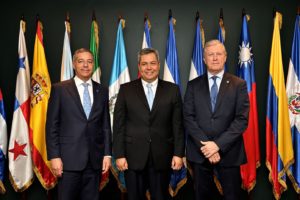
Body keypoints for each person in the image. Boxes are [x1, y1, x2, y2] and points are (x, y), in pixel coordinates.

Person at [113, 48, 185, 200]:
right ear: (139, 66)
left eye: (152, 63)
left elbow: (178, 125)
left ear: (159, 65)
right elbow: (118, 125)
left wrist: (178, 154)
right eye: (144, 64)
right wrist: (119, 155)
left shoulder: (173, 90)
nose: (149, 67)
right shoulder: (126, 90)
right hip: (133, 157)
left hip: (162, 156)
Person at [184, 40, 249, 200]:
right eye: (210, 54)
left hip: (229, 152)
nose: (214, 58)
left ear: (225, 57)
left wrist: (218, 145)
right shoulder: (193, 85)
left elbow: (241, 120)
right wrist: (207, 147)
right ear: (204, 59)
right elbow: (188, 118)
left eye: (218, 54)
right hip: (200, 153)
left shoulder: (239, 84)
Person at [46, 48, 112, 200]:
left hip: (94, 161)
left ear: (93, 65)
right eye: (81, 61)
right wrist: (54, 156)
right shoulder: (59, 89)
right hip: (68, 161)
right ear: (74, 64)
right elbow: (51, 126)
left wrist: (107, 154)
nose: (85, 65)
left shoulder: (102, 90)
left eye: (89, 62)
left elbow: (105, 125)